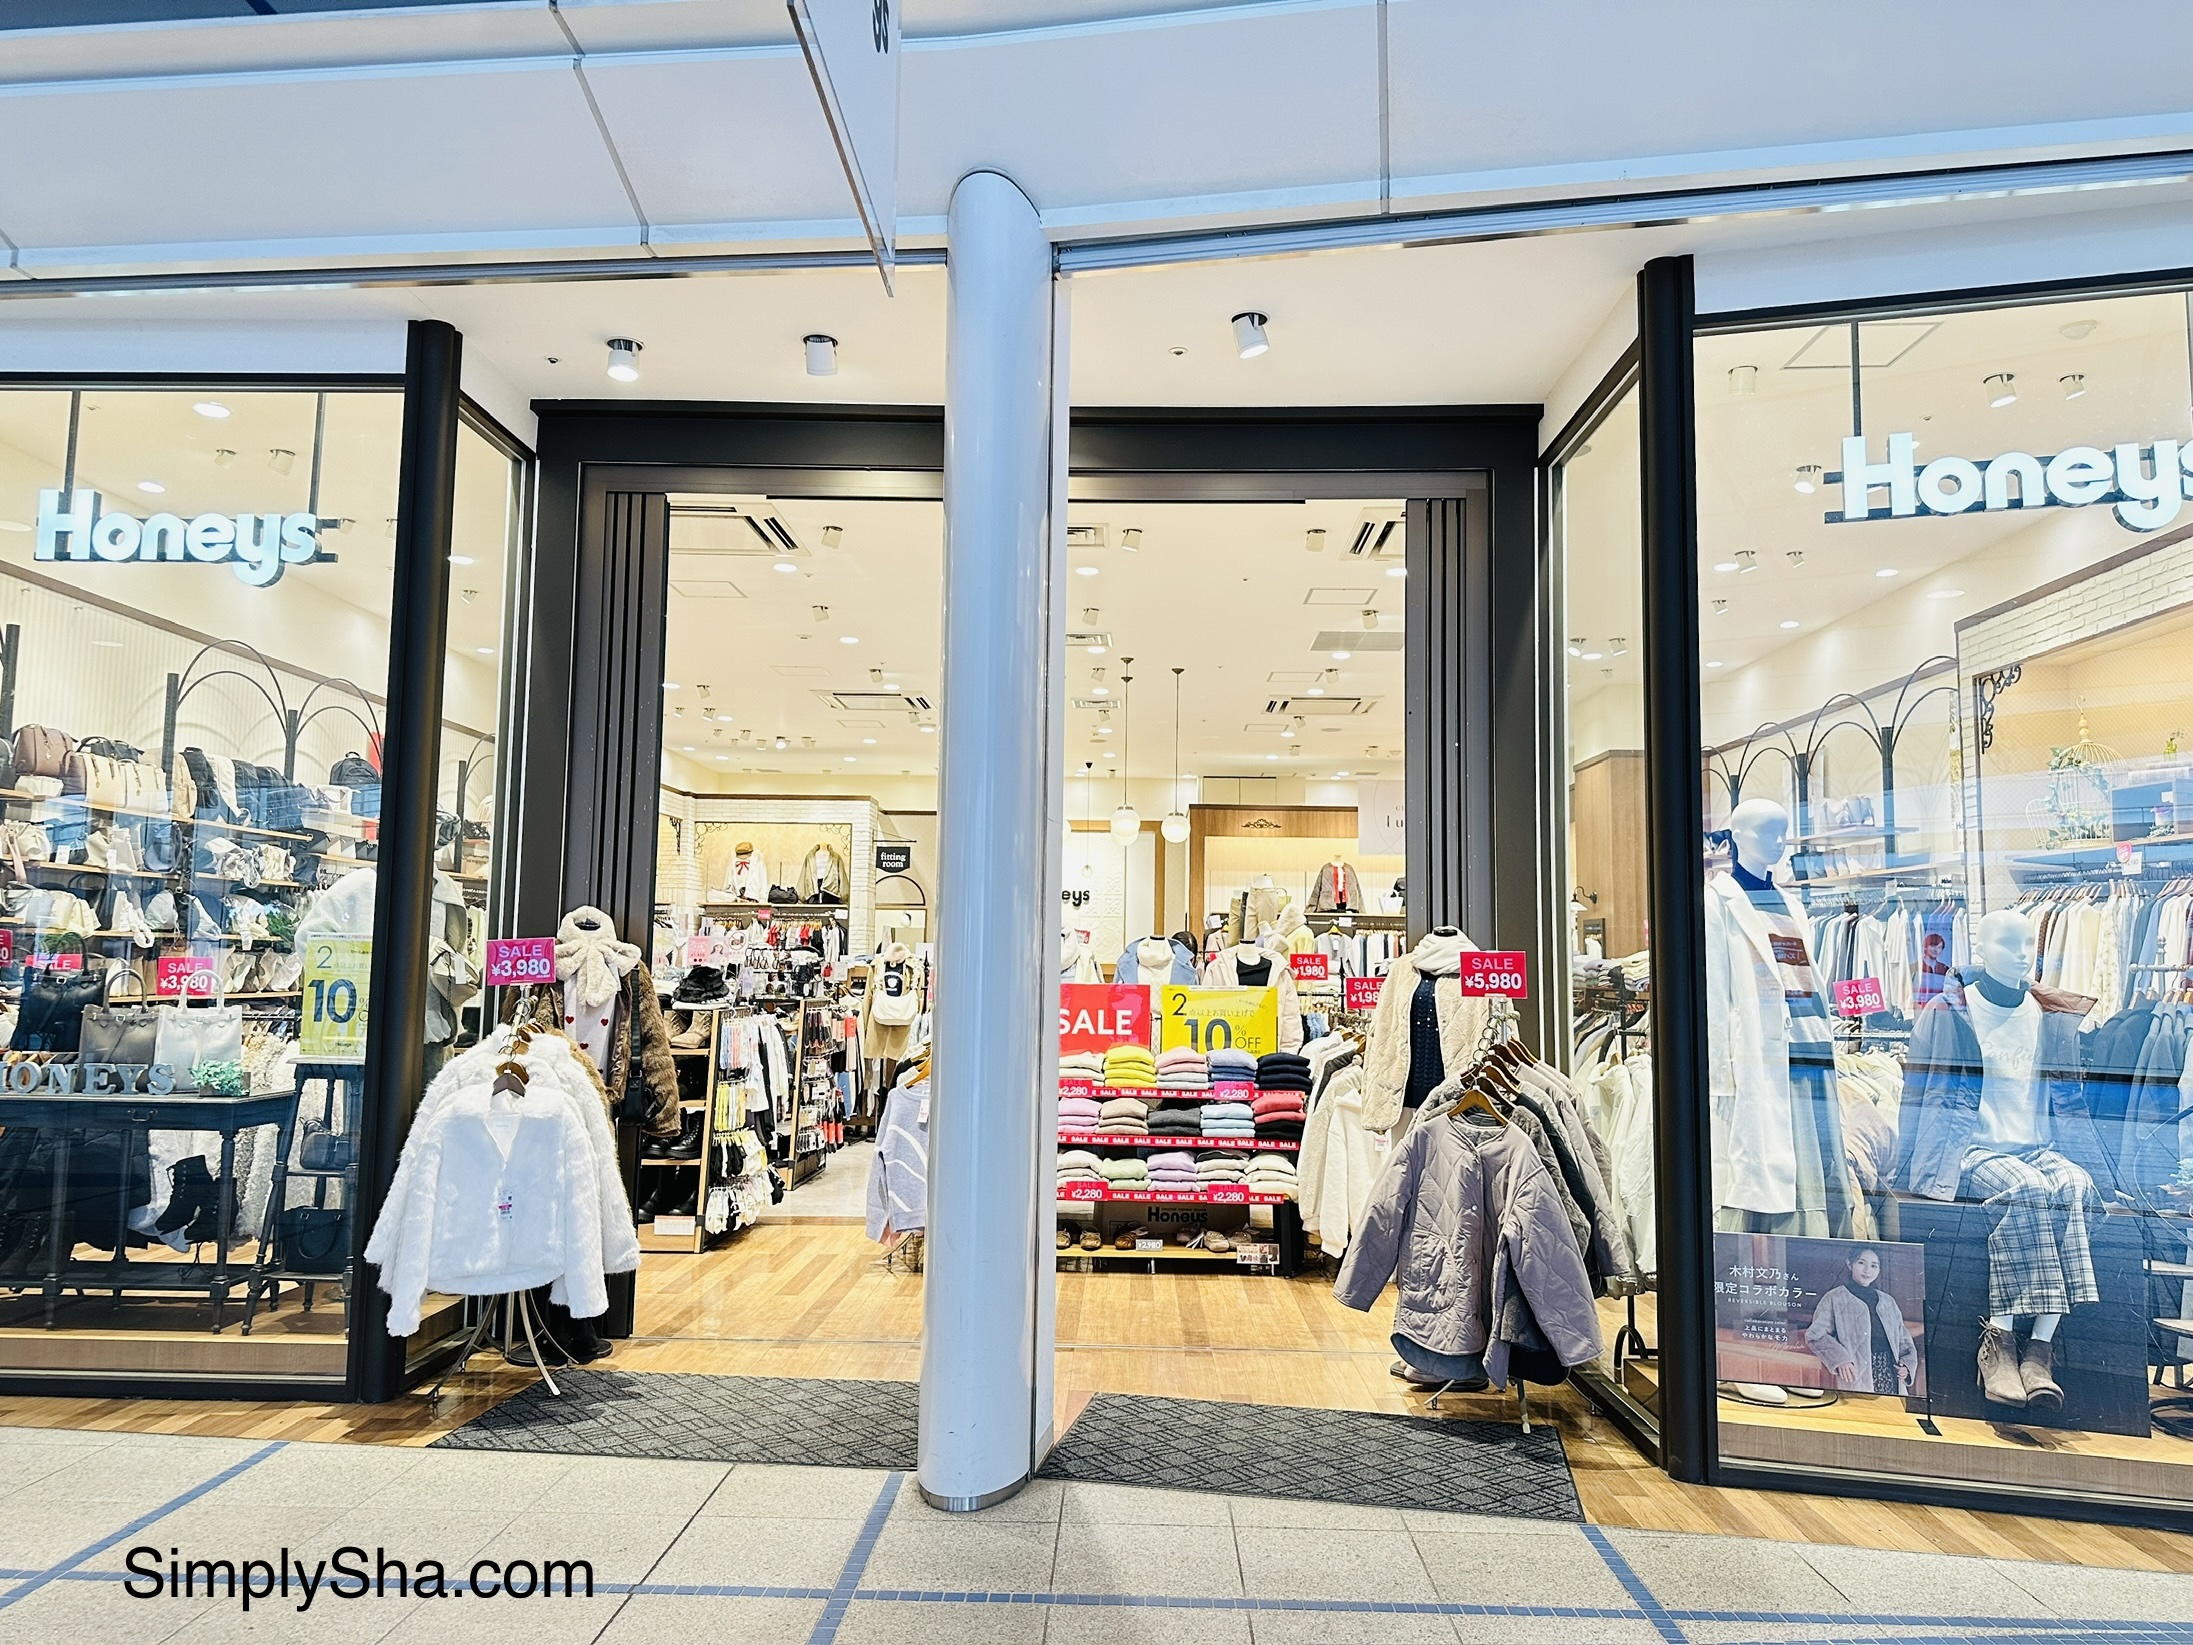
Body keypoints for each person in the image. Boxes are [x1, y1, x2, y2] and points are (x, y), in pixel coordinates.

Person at [1804, 1245, 1920, 1394]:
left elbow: (1904, 1341)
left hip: (1891, 1373)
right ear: (1849, 1264)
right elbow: (1816, 1335)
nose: (1867, 1270)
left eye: (1874, 1265)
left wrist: (1906, 1366)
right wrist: (1840, 1359)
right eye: (1861, 1263)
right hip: (1856, 1374)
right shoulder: (1834, 1298)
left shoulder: (1888, 1301)